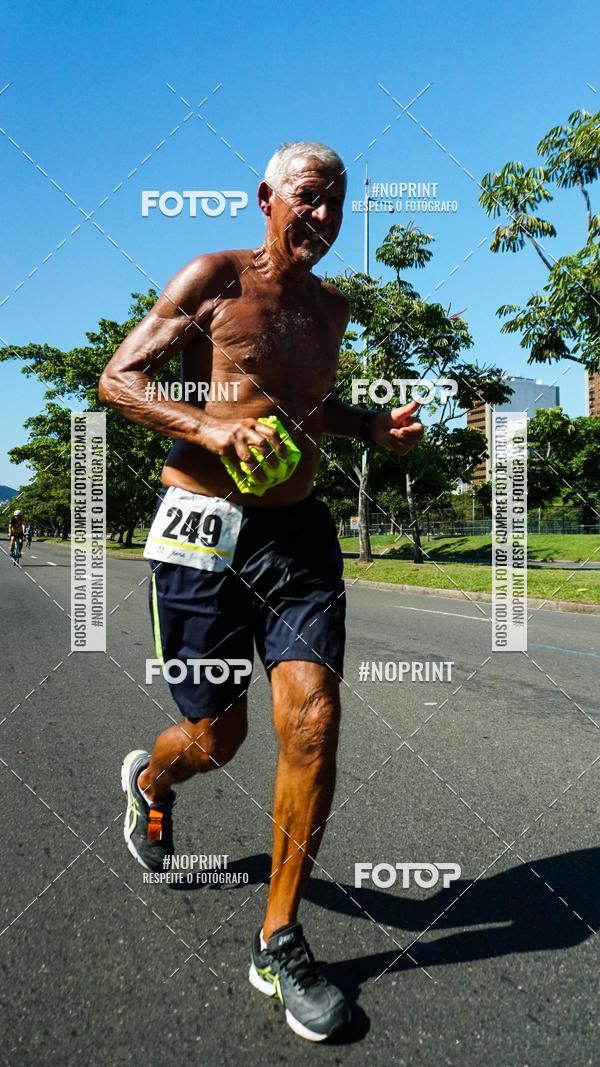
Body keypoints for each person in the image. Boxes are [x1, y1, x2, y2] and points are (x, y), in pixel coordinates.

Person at [98, 141, 423, 1042]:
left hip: (297, 537)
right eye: (309, 198)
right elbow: (117, 379)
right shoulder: (212, 277)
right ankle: (153, 780)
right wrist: (210, 426)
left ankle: (278, 938)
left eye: (337, 204)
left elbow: (308, 407)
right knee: (217, 735)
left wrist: (370, 427)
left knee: (312, 717)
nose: (322, 216)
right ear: (268, 198)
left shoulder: (334, 308)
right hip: (202, 527)